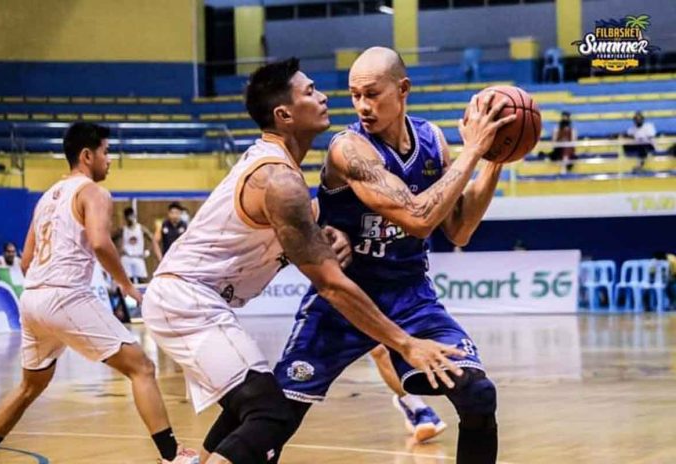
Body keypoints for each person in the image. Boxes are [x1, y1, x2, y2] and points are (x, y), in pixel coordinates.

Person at [141, 58, 465, 464]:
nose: (324, 96)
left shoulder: (282, 174)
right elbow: (330, 284)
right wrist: (405, 342)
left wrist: (333, 232)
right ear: (285, 115)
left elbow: (300, 225)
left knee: (254, 408)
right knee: (270, 415)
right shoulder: (278, 180)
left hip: (200, 301)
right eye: (310, 92)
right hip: (185, 301)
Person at [269, 47, 514, 464]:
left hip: (410, 295)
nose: (362, 106)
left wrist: (494, 160)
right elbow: (418, 219)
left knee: (478, 393)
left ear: (403, 90)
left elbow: (458, 228)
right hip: (346, 297)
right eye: (354, 96)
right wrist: (472, 151)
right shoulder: (349, 148)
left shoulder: (432, 140)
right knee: (275, 418)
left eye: (372, 94)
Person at [0, 123, 198, 464]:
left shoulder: (46, 199)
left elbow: (24, 261)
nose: (109, 160)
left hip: (33, 299)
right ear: (87, 155)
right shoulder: (93, 192)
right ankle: (173, 456)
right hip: (64, 295)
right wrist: (125, 284)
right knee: (141, 366)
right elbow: (99, 241)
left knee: (29, 386)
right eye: (106, 152)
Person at [114, 206, 162, 283]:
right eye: (128, 217)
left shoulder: (141, 228)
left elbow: (153, 239)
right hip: (127, 257)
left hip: (138, 257)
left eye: (131, 216)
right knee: (127, 281)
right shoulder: (122, 229)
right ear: (125, 218)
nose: (130, 219)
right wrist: (118, 249)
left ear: (134, 216)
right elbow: (112, 238)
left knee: (143, 280)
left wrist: (148, 251)